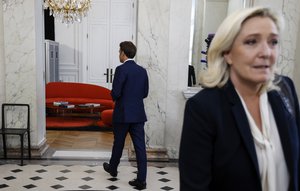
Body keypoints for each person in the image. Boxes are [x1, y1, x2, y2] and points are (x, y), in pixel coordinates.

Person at [179, 7, 300, 191]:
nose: (266, 52)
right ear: (227, 52)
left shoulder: (285, 88)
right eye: (252, 42)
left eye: (273, 42)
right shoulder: (203, 108)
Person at [103, 41, 149, 190]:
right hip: (138, 114)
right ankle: (141, 180)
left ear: (123, 53)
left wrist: (114, 95)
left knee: (119, 143)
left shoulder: (121, 69)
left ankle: (113, 168)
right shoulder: (142, 71)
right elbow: (145, 93)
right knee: (140, 147)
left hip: (122, 114)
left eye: (119, 52)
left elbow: (115, 93)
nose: (118, 54)